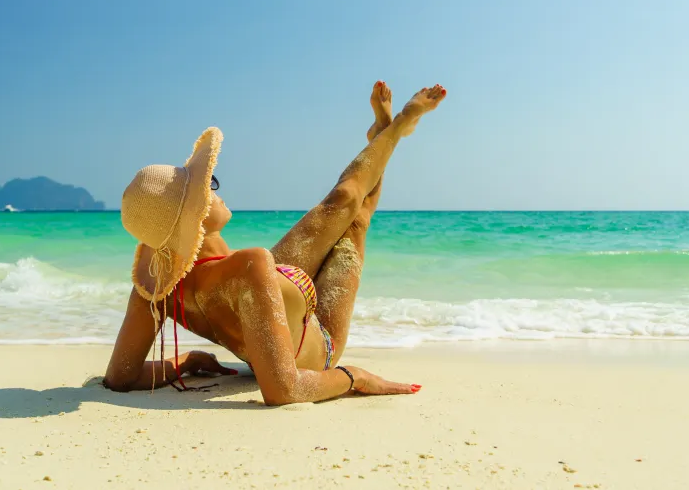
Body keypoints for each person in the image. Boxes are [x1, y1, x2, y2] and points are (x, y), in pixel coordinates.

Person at [103, 82, 446, 405]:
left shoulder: (158, 285)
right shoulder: (172, 287)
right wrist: (353, 376)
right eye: (207, 188)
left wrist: (188, 360)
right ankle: (391, 132)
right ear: (195, 217)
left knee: (343, 198)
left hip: (264, 297)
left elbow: (121, 378)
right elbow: (283, 390)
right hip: (315, 346)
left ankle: (389, 133)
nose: (215, 192)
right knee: (356, 221)